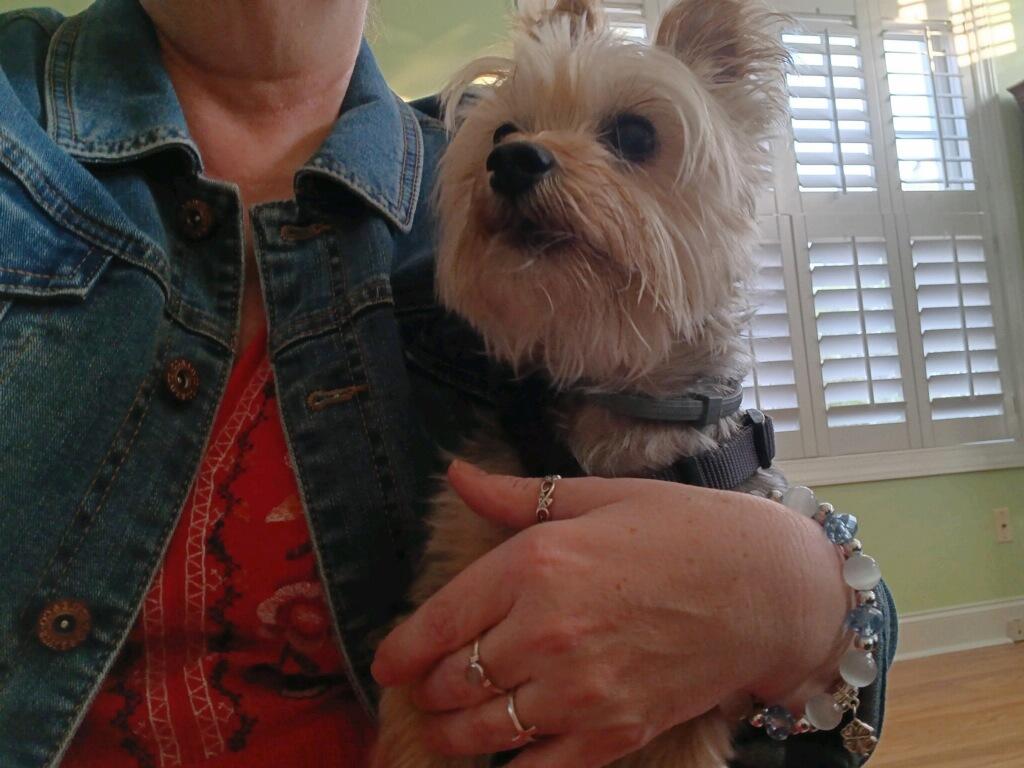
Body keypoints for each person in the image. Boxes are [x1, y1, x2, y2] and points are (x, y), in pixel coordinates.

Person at [0, 0, 896, 766]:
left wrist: (799, 596)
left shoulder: (444, 175)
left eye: (628, 138)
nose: (522, 157)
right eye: (507, 140)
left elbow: (856, 665)